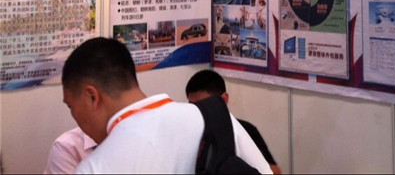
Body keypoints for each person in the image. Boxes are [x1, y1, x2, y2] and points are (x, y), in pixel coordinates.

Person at [61, 37, 271, 174]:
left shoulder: (95, 168)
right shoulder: (213, 116)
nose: (74, 116)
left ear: (92, 96)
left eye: (71, 106)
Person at [186, 70, 282, 175]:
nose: (197, 111)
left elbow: (274, 171)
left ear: (223, 100)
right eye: (192, 106)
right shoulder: (188, 132)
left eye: (204, 106)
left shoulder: (245, 129)